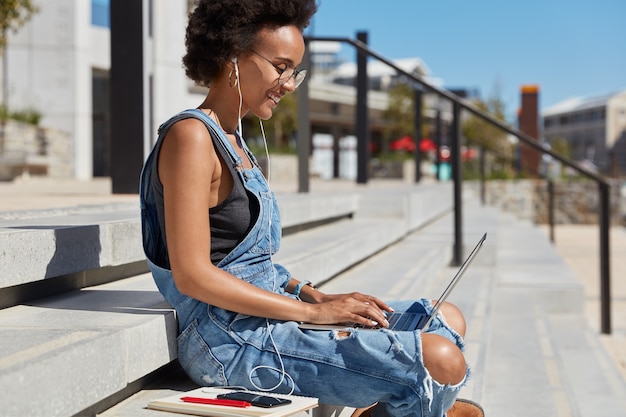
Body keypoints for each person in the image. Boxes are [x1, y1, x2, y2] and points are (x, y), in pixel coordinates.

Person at [140, 1, 484, 416]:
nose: (289, 84)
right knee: (441, 360)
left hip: (267, 319)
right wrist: (313, 312)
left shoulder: (236, 139)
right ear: (233, 54)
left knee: (445, 318)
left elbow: (248, 263)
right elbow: (194, 275)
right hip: (228, 339)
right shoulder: (191, 137)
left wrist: (313, 293)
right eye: (281, 67)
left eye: (295, 72)